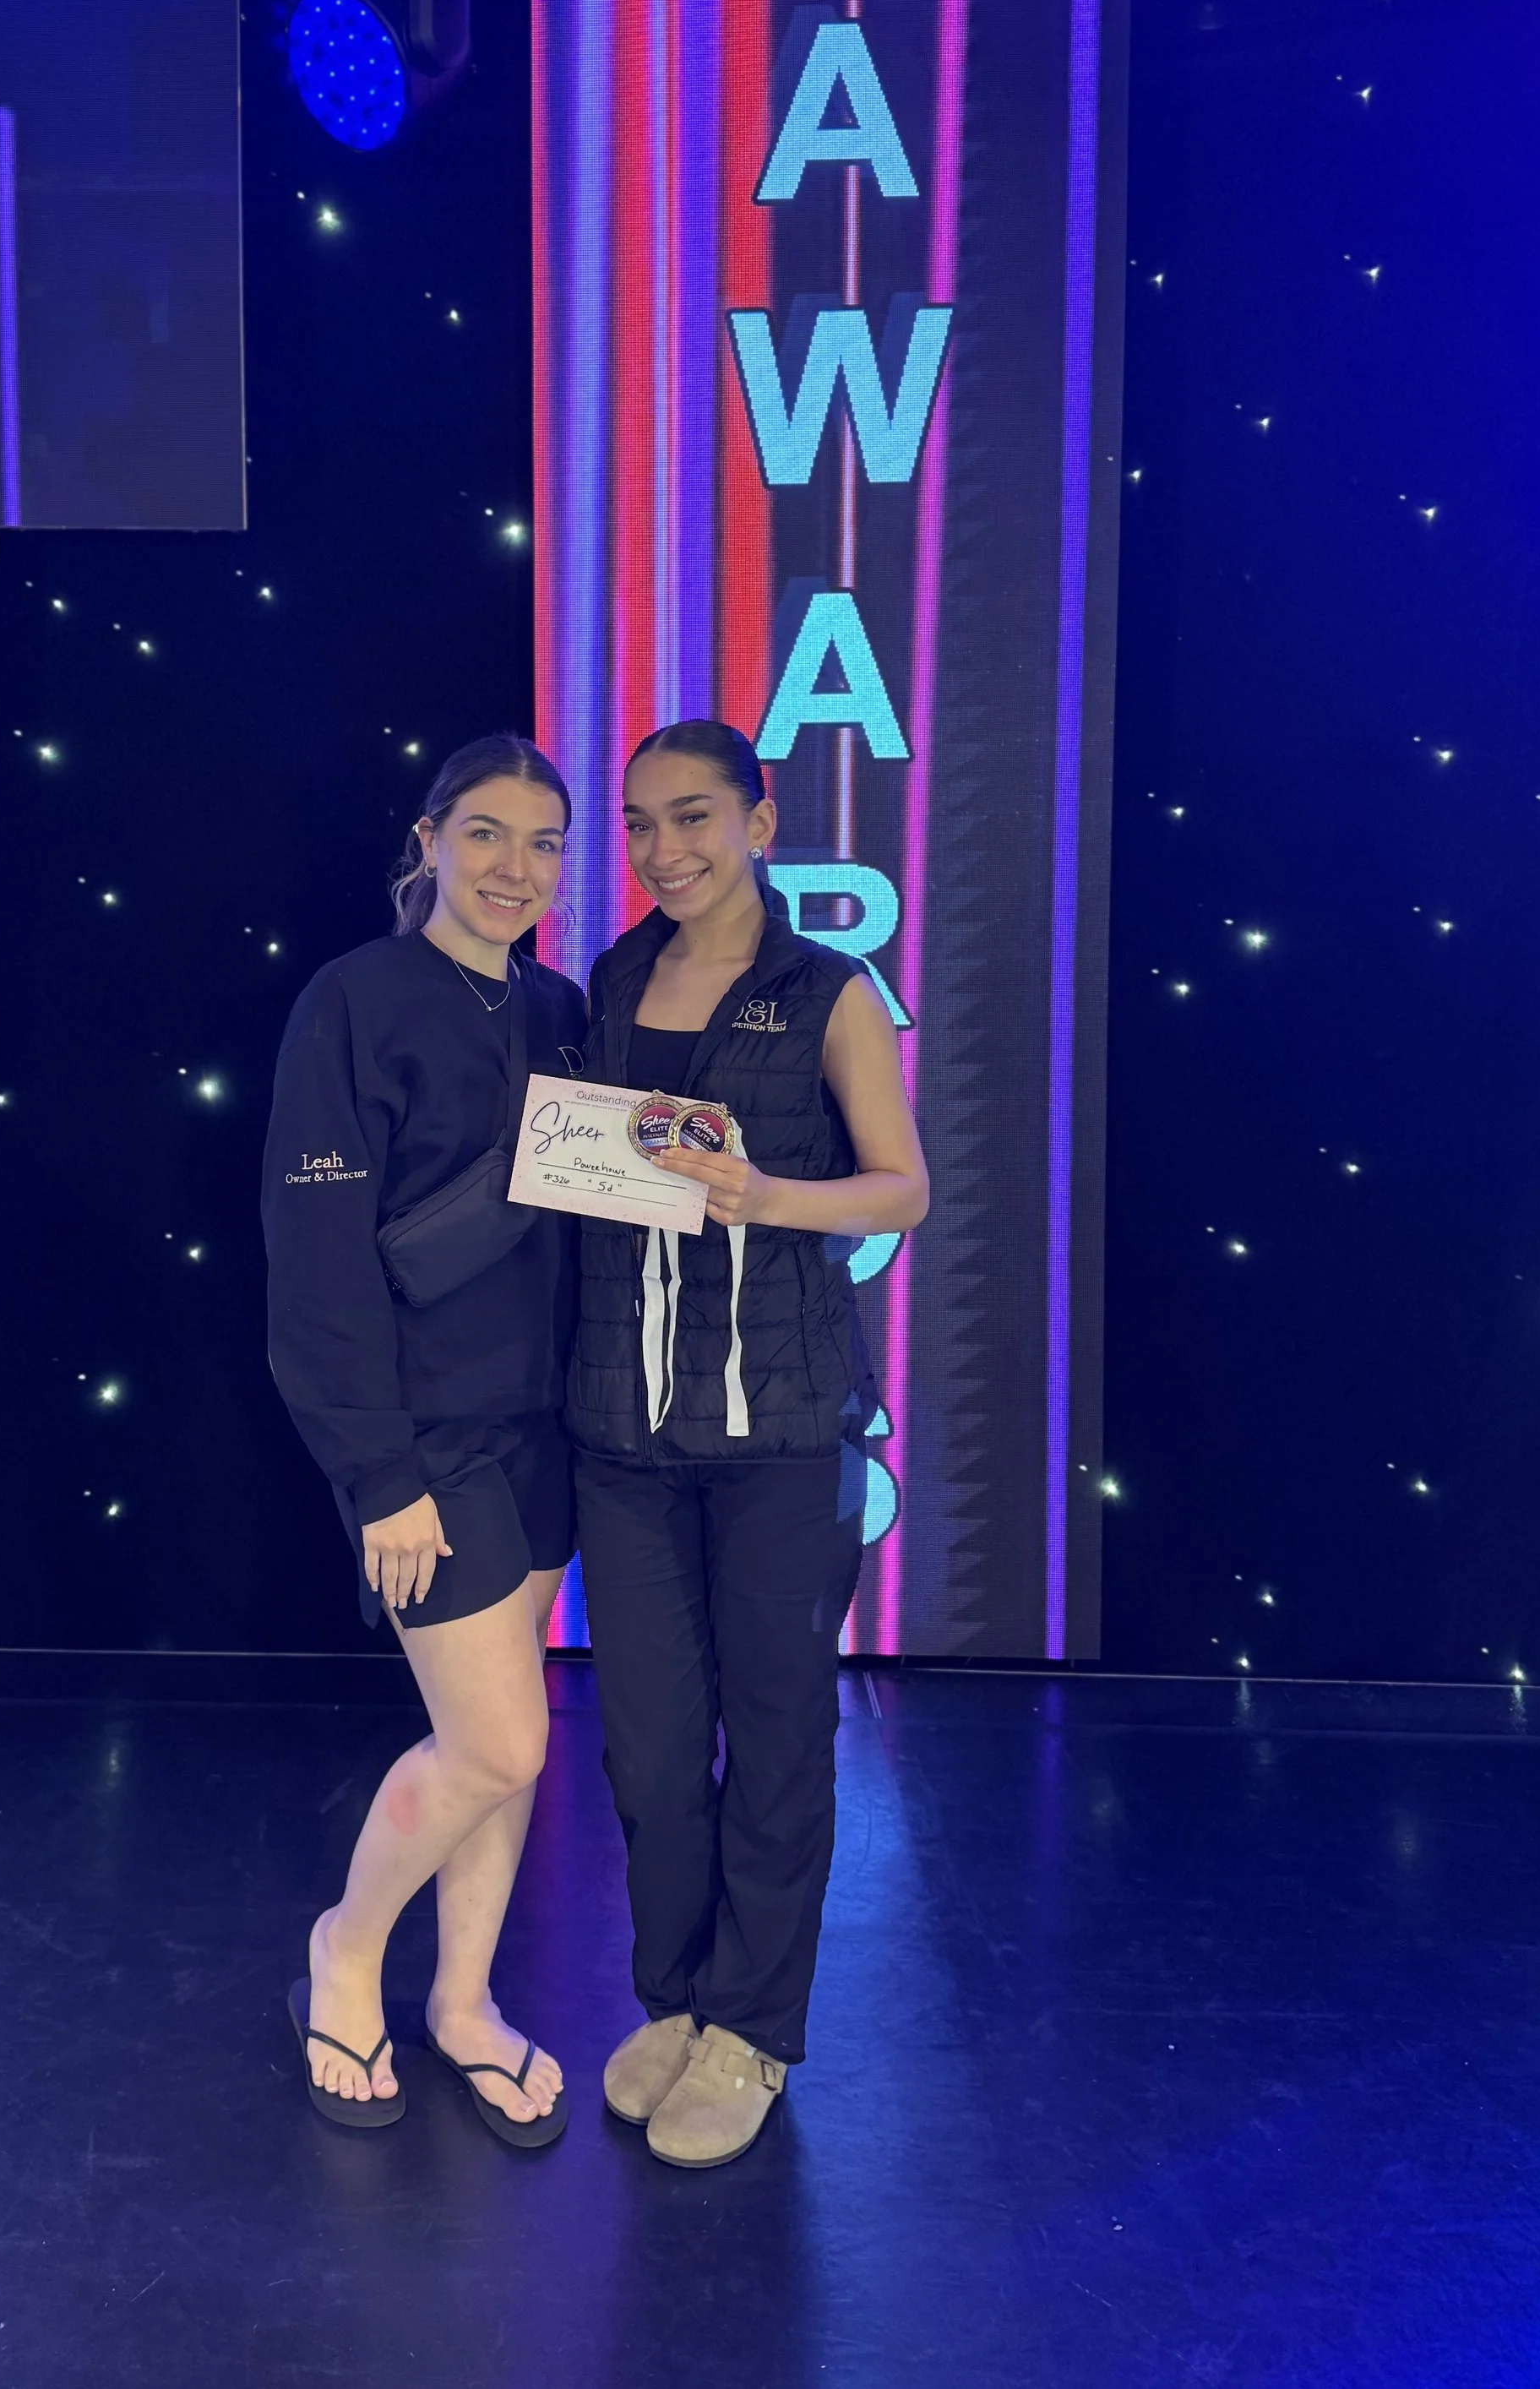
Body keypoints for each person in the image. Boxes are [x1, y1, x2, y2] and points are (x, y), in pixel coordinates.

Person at [569, 719, 930, 2169]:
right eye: (644, 825)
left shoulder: (829, 987)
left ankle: (756, 2031)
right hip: (620, 1428)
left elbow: (903, 1191)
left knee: (776, 1744)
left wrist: (766, 1194)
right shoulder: (606, 980)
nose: (668, 850)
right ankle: (677, 2001)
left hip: (780, 1432)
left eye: (697, 816)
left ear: (763, 822)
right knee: (651, 1754)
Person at [262, 734, 586, 2147]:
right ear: (431, 838)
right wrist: (377, 1475)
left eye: (544, 844)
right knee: (503, 1741)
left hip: (548, 1434)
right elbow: (316, 1255)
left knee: (503, 1753)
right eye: (489, 836)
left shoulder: (567, 1011)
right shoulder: (353, 1001)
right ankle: (347, 1948)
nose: (517, 869)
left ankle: (461, 2003)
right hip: (423, 1447)